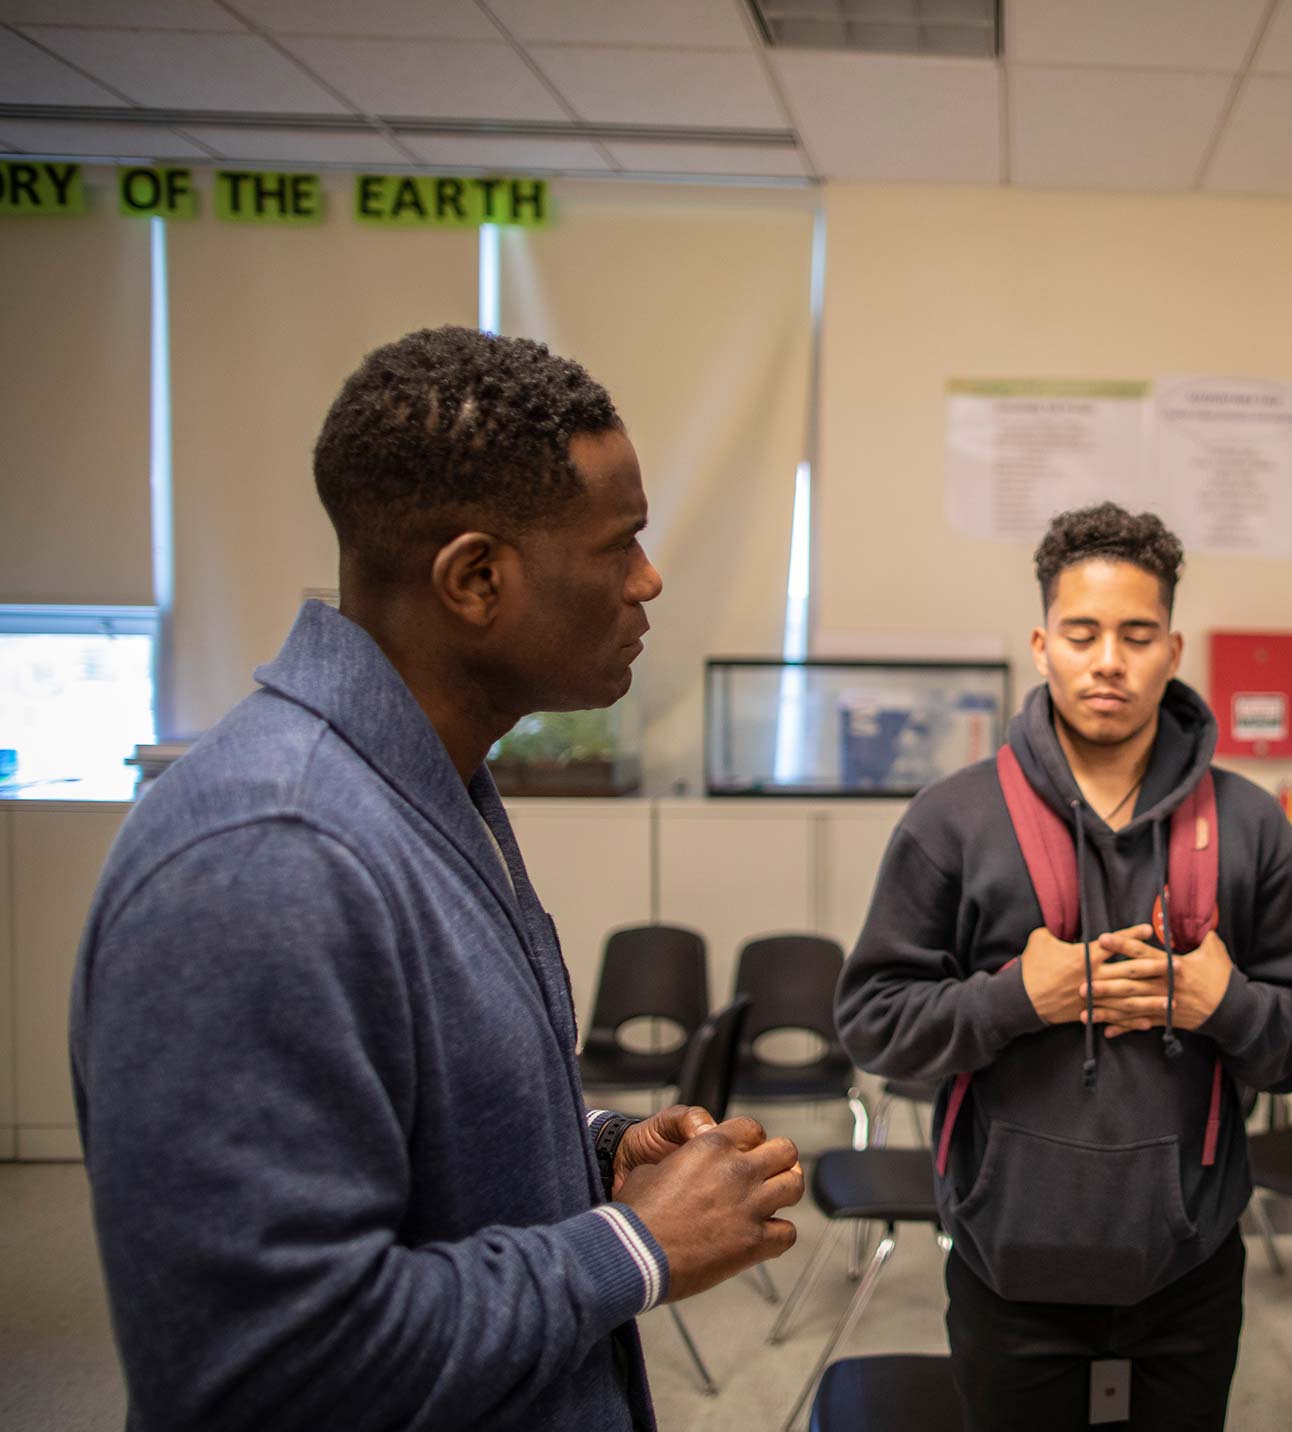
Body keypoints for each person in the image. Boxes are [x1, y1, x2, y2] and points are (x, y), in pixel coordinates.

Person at [70, 327, 806, 1431]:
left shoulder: (429, 786)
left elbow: (412, 1136)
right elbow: (262, 1372)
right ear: (476, 578)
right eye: (621, 544)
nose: (650, 579)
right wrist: (633, 1247)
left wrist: (589, 1152)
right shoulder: (266, 856)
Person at [835, 502, 1292, 1430]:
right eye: (1083, 632)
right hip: (1006, 1261)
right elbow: (877, 1029)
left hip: (1191, 1261)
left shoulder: (1253, 827)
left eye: (1137, 634)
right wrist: (1016, 999)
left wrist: (1221, 1005)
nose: (1110, 659)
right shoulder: (952, 820)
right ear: (1041, 644)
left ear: (1174, 650)